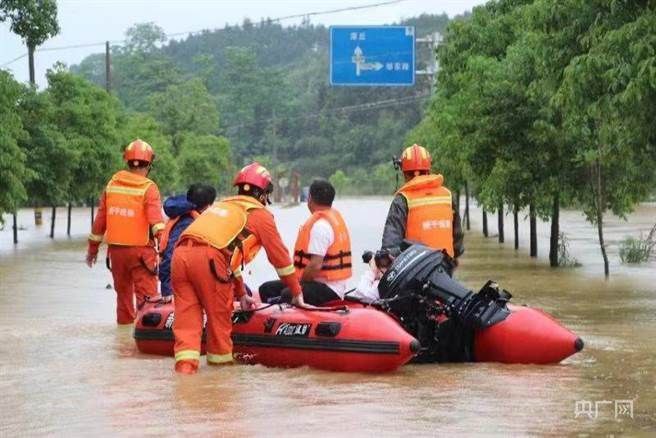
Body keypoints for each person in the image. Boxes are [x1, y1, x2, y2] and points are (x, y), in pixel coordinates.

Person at [172, 162, 306, 374]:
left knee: (187, 325)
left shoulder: (221, 206)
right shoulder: (261, 216)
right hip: (210, 260)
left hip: (180, 256)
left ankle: (185, 375)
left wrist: (241, 292)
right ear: (263, 193)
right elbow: (281, 260)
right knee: (219, 324)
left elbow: (226, 253)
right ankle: (221, 380)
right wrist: (297, 292)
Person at [86, 139, 165, 325]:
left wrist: (92, 250)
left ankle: (123, 343)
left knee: (123, 299)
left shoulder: (112, 185)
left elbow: (100, 221)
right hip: (141, 254)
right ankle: (144, 343)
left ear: (128, 161)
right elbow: (157, 224)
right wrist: (165, 250)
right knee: (147, 302)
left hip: (116, 253)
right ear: (149, 164)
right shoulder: (149, 188)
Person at [259, 179, 352, 306]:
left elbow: (315, 265)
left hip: (329, 288)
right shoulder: (331, 220)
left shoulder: (320, 226)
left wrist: (298, 286)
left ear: (310, 198)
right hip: (319, 283)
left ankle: (289, 319)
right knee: (266, 289)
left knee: (287, 293)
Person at [382, 144, 464, 263]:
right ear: (428, 170)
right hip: (445, 270)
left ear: (404, 173)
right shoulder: (447, 196)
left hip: (414, 273)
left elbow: (390, 248)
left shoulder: (402, 200)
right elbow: (457, 244)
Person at [158, 184, 217, 302]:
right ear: (207, 206)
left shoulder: (189, 217)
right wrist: (166, 289)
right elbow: (170, 254)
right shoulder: (187, 223)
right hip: (181, 279)